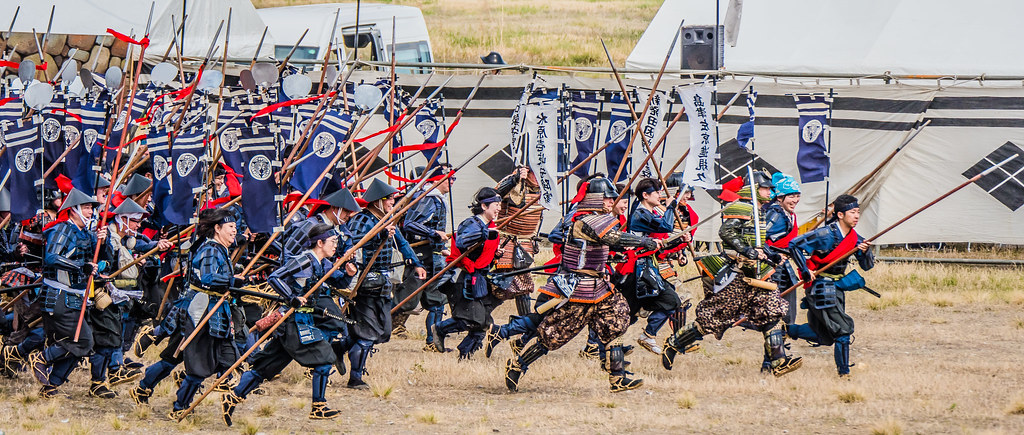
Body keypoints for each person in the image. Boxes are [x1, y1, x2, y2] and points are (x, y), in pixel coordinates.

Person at [503, 177, 659, 393]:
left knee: (618, 319)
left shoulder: (599, 219)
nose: (611, 201)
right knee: (555, 335)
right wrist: (641, 241)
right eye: (607, 197)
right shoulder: (584, 222)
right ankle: (518, 365)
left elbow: (608, 246)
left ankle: (617, 377)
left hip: (600, 286)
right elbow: (614, 238)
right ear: (594, 198)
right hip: (579, 288)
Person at [661, 171, 803, 377]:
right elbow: (726, 232)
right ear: (755, 189)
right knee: (712, 319)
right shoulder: (741, 206)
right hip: (737, 274)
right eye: (765, 188)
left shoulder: (760, 210)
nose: (769, 192)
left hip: (757, 273)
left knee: (772, 312)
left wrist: (768, 255)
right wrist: (746, 250)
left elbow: (761, 243)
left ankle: (778, 361)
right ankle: (674, 343)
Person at [222, 223, 357, 425]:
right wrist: (292, 297)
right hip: (293, 323)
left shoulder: (322, 263)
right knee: (324, 359)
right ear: (320, 243)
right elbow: (275, 277)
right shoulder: (304, 260)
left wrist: (348, 274)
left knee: (265, 367)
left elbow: (338, 282)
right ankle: (318, 407)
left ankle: (233, 396)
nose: (335, 246)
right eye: (332, 242)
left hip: (302, 321)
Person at [339, 178, 426, 389]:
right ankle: (356, 377)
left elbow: (403, 243)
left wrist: (416, 263)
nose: (392, 203)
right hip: (366, 283)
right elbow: (355, 240)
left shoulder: (387, 219)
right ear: (379, 201)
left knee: (383, 331)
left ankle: (338, 349)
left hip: (384, 283)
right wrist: (380, 234)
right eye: (390, 199)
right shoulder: (363, 219)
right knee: (367, 333)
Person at [29, 189, 110, 398]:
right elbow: (52, 257)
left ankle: (51, 386)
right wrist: (80, 266)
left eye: (92, 208)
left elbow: (100, 256)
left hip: (76, 296)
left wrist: (104, 239)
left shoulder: (85, 233)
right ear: (73, 210)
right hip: (59, 297)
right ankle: (42, 359)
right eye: (86, 207)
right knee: (83, 342)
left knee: (81, 345)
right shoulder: (62, 230)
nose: (91, 212)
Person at [787, 194, 874, 377]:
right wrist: (804, 269)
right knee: (843, 330)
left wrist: (865, 252)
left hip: (837, 289)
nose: (857, 216)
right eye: (852, 212)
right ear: (840, 215)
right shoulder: (825, 234)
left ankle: (786, 331)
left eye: (858, 212)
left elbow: (867, 266)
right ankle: (844, 373)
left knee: (823, 336)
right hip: (820, 288)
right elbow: (794, 245)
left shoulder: (856, 239)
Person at [166, 208, 241, 419]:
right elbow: (208, 278)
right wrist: (232, 282)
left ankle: (231, 397)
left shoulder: (222, 249)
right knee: (198, 368)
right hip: (202, 312)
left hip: (220, 311)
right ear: (217, 229)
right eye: (231, 227)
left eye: (235, 227)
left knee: (231, 360)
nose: (235, 231)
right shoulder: (210, 249)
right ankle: (180, 406)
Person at [431, 187, 504, 359]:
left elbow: (482, 250)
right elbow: (463, 242)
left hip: (481, 277)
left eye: (499, 205)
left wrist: (495, 252)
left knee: (484, 321)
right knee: (472, 320)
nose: (499, 208)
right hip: (463, 277)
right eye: (496, 205)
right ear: (484, 206)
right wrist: (487, 234)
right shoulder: (471, 224)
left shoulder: (489, 226)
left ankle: (465, 355)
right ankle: (440, 328)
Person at [626, 178, 689, 355]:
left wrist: (680, 240)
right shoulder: (640, 213)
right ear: (645, 195)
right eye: (657, 192)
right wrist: (670, 207)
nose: (660, 195)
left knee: (632, 312)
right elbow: (666, 226)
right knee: (629, 312)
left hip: (647, 267)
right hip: (637, 269)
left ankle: (648, 335)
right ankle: (646, 334)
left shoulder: (649, 212)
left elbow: (660, 241)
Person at [394, 165, 454, 349]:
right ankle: (385, 327)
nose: (451, 182)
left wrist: (440, 246)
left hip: (433, 255)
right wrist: (434, 233)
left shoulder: (437, 200)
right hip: (421, 256)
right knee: (406, 300)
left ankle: (433, 343)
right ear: (435, 180)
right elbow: (411, 224)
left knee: (437, 301)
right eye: (448, 178)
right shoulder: (428, 199)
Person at [760, 172, 802, 372]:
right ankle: (772, 361)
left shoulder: (789, 215)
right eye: (791, 195)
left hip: (785, 268)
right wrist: (775, 255)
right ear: (780, 197)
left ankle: (775, 358)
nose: (795, 199)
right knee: (775, 315)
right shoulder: (775, 214)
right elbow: (762, 240)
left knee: (786, 314)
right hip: (773, 269)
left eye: (797, 195)